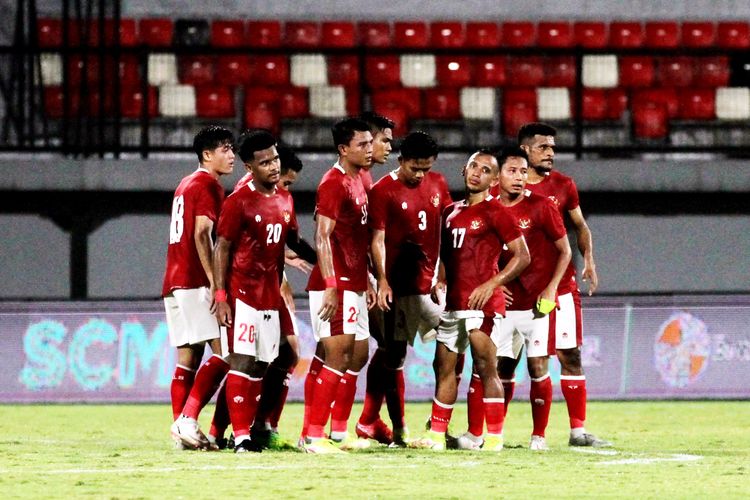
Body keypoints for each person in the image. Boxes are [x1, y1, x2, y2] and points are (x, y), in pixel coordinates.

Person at [412, 149, 530, 451]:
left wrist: (492, 283)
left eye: (486, 170)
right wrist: (439, 278)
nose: (478, 172)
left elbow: (522, 256)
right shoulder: (449, 212)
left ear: (493, 180)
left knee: (486, 368)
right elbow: (446, 255)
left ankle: (493, 438)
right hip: (453, 305)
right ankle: (437, 436)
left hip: (484, 307)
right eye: (474, 166)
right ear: (464, 170)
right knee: (445, 368)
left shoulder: (496, 212)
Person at [458, 147, 572, 451]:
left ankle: (539, 437)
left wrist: (551, 288)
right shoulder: (485, 208)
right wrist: (494, 285)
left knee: (537, 367)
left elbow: (565, 251)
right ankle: (476, 433)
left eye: (523, 172)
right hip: (500, 308)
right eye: (512, 171)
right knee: (487, 367)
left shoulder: (542, 207)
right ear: (498, 176)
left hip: (536, 307)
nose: (519, 178)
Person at [212, 130, 315, 453]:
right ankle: (241, 436)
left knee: (262, 363)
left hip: (270, 293)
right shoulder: (238, 201)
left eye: (275, 159)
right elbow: (222, 248)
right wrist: (220, 296)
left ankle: (249, 430)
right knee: (243, 361)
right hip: (242, 293)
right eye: (264, 162)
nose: (273, 167)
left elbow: (294, 242)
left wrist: (324, 262)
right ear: (249, 167)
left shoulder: (285, 199)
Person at [517, 122, 610, 447]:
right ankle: (518, 434)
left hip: (562, 287)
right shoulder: (508, 186)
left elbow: (580, 226)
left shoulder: (563, 186)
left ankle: (577, 432)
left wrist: (589, 260)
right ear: (526, 149)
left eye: (553, 148)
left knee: (570, 356)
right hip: (521, 291)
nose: (551, 153)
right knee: (526, 362)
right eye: (544, 147)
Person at [355, 131, 451, 446]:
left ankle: (439, 421)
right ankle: (396, 429)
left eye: (425, 168)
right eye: (414, 168)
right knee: (393, 355)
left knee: (457, 343)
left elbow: (447, 230)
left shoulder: (437, 183)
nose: (420, 174)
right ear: (401, 161)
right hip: (398, 289)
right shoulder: (383, 191)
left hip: (430, 288)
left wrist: (443, 274)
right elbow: (376, 239)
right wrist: (381, 280)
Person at [302, 117, 374, 454]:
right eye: (362, 144)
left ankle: (339, 432)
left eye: (370, 143)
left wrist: (369, 279)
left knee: (357, 354)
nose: (370, 149)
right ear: (343, 149)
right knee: (336, 354)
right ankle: (314, 435)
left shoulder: (357, 179)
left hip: (355, 282)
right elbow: (322, 235)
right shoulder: (333, 183)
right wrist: (332, 284)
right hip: (336, 283)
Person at [165, 125, 235, 450]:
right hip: (196, 281)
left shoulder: (184, 183)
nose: (231, 155)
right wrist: (215, 283)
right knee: (225, 355)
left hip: (173, 281)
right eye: (224, 149)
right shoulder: (208, 184)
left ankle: (183, 433)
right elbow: (201, 234)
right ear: (207, 155)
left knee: (187, 359)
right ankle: (188, 420)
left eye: (232, 149)